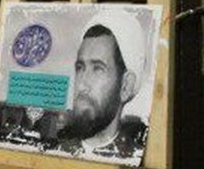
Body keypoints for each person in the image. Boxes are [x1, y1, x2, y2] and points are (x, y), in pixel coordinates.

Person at [56, 12, 148, 160]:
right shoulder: (55, 150)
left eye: (98, 69)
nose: (81, 85)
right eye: (80, 67)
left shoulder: (133, 159)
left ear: (125, 86)